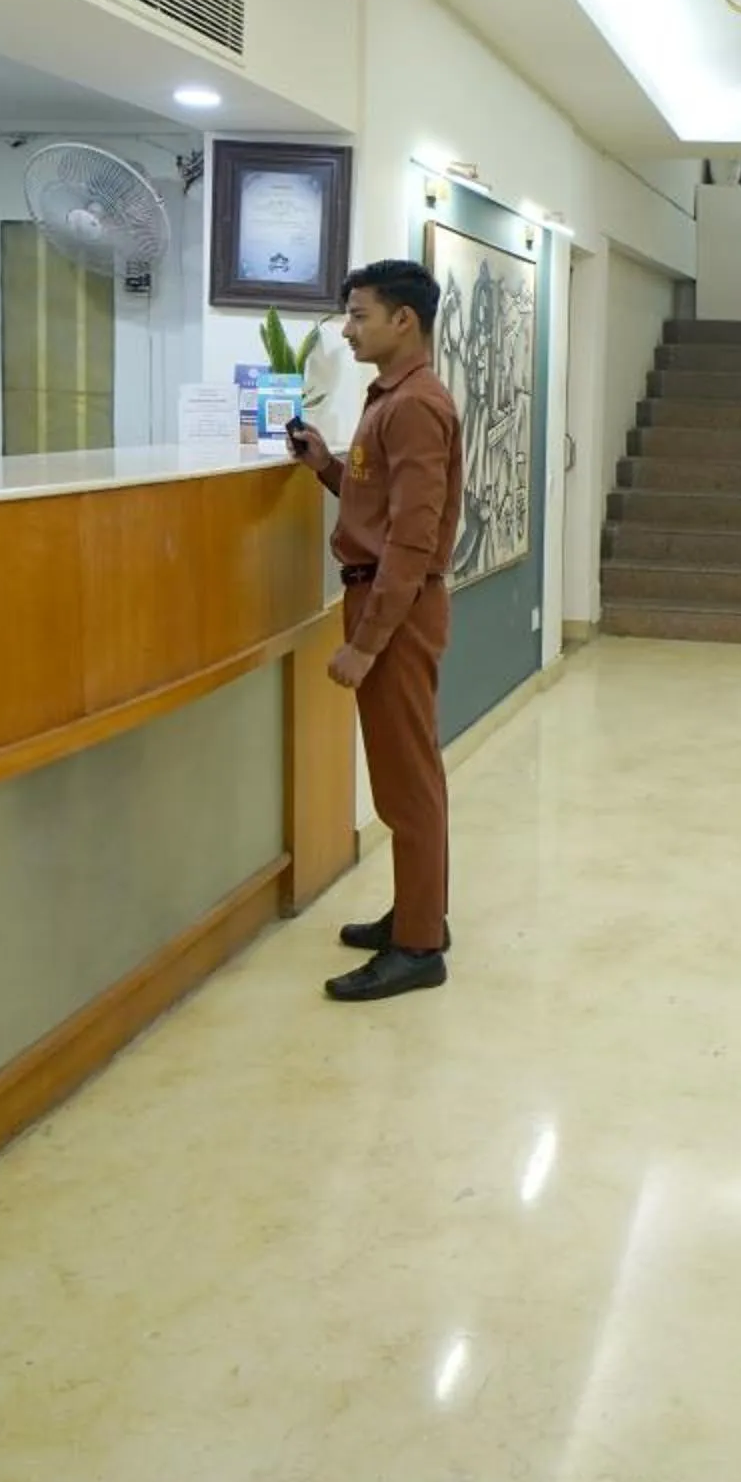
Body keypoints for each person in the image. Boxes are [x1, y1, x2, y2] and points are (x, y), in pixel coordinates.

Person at [289, 258, 464, 1003]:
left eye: (360, 314)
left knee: (406, 784)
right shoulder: (389, 398)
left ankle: (420, 945)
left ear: (405, 320)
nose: (348, 327)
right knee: (406, 776)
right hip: (382, 599)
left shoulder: (416, 404)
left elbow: (412, 539)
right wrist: (326, 465)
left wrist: (366, 644)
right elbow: (376, 502)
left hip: (395, 609)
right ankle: (420, 914)